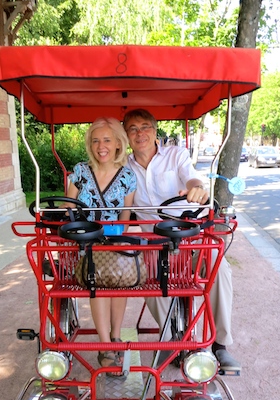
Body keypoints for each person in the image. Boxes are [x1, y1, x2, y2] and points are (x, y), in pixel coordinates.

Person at [123, 108, 240, 374]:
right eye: (133, 129)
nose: (140, 133)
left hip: (190, 237)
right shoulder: (125, 168)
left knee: (218, 267)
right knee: (145, 275)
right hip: (155, 243)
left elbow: (192, 176)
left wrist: (196, 188)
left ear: (155, 131)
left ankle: (220, 344)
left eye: (145, 127)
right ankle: (180, 339)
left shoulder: (175, 155)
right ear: (127, 136)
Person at [66, 117, 136, 374]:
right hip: (86, 242)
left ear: (118, 143)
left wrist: (112, 237)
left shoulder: (127, 175)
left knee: (119, 272)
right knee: (98, 276)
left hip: (115, 240)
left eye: (107, 140)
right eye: (95, 140)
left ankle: (115, 337)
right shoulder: (81, 172)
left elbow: (126, 219)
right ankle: (106, 344)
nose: (101, 146)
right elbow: (68, 207)